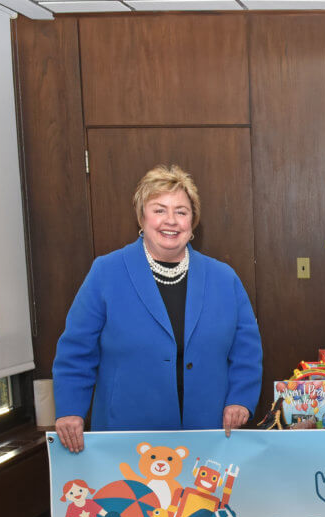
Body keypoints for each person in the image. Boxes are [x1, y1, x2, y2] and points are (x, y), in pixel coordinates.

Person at [53, 164, 262, 453]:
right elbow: (76, 350)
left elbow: (246, 349)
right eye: (159, 209)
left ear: (193, 221)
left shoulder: (224, 278)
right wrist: (70, 409)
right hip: (127, 434)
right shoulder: (106, 272)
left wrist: (240, 399)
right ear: (142, 217)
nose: (171, 220)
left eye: (181, 211)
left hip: (209, 434)